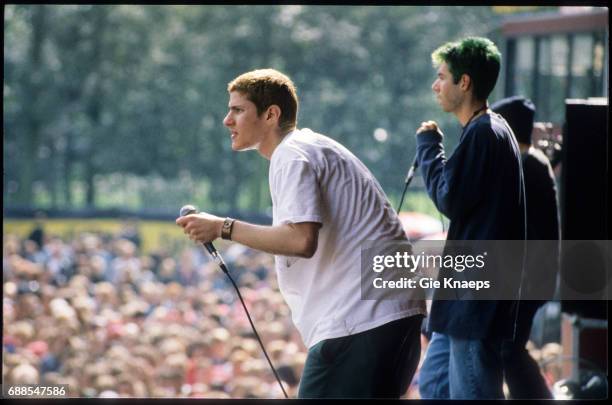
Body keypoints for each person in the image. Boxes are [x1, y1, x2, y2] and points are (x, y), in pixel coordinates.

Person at [176, 69, 426, 398]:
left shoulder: (291, 155)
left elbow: (300, 240)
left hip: (359, 322)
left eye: (238, 110)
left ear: (271, 114)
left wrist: (223, 227)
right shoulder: (310, 148)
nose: (227, 120)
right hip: (384, 319)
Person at [414, 37, 525, 399]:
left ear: (465, 83)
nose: (436, 85)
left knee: (473, 392)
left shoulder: (484, 133)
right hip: (462, 300)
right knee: (434, 385)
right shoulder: (489, 130)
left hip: (476, 296)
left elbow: (449, 198)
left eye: (442, 76)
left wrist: (429, 148)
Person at [491, 96, 559, 399]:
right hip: (534, 279)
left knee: (509, 350)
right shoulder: (534, 164)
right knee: (511, 349)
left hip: (524, 280)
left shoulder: (523, 167)